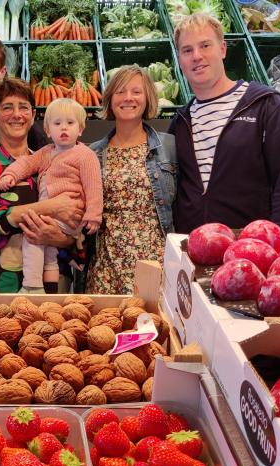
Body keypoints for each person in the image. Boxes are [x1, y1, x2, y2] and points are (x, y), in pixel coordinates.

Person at [170, 13, 280, 233]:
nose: (196, 56)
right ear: (180, 60)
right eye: (187, 50)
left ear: (222, 49)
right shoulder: (180, 122)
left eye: (205, 46)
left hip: (252, 251)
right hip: (195, 251)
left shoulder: (265, 105)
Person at [0, 78, 85, 293]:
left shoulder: (54, 161)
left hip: (51, 286)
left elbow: (77, 222)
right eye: (7, 107)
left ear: (33, 115)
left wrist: (64, 239)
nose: (17, 114)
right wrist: (51, 207)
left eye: (24, 107)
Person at [87, 65, 177, 295]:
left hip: (156, 265)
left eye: (136, 92)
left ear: (147, 98)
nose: (128, 98)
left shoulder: (168, 147)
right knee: (108, 328)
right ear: (110, 99)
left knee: (157, 328)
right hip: (106, 268)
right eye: (120, 92)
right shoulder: (92, 153)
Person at [0, 98, 102, 294]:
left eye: (70, 123)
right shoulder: (46, 152)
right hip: (52, 212)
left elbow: (94, 186)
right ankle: (50, 291)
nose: (64, 128)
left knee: (34, 237)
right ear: (47, 130)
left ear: (80, 129)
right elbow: (26, 164)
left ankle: (32, 285)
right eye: (57, 123)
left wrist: (94, 215)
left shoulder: (85, 155)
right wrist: (10, 175)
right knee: (50, 253)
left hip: (69, 214)